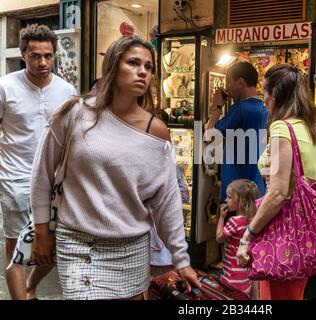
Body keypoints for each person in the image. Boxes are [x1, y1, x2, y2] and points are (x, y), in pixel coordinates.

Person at [30, 35, 200, 300]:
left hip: (131, 249)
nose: (143, 71)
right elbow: (41, 175)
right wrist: (41, 232)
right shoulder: (73, 113)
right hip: (77, 245)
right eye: (133, 63)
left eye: (148, 66)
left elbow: (166, 199)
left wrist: (181, 259)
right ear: (112, 66)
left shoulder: (156, 131)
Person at [0, 24, 76, 300]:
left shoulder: (67, 90)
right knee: (16, 246)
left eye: (48, 55)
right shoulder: (5, 87)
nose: (42, 62)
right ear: (23, 55)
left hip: (56, 181)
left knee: (54, 245)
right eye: (35, 56)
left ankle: (31, 287)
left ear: (55, 55)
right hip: (15, 177)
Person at [237, 64, 316, 300]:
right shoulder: (312, 131)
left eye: (264, 94)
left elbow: (277, 193)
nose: (263, 101)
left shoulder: (281, 129)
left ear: (273, 95)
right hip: (304, 232)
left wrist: (248, 235)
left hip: (281, 232)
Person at [204, 61, 268, 204]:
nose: (227, 87)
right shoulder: (263, 109)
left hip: (236, 195)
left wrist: (217, 106)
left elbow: (209, 135)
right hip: (257, 190)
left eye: (229, 82)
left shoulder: (241, 109)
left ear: (240, 83)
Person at [216, 179, 259, 298]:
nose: (226, 200)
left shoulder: (234, 221)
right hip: (245, 277)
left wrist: (221, 217)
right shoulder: (253, 219)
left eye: (229, 197)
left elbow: (219, 238)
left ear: (241, 201)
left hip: (231, 277)